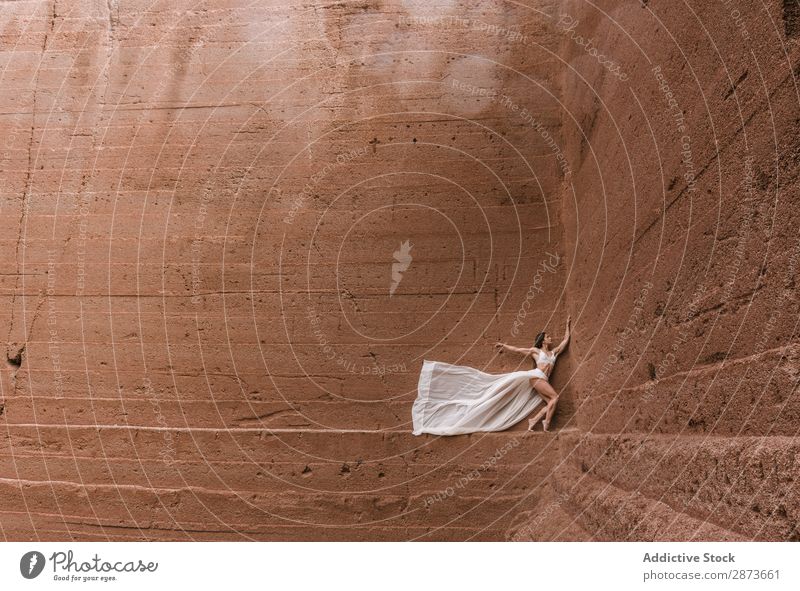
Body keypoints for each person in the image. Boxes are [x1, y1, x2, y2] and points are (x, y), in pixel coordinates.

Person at [411, 316, 571, 435]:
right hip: (536, 376)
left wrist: (568, 326)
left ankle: (534, 420)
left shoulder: (553, 352)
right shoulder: (536, 351)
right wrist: (504, 345)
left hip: (543, 379)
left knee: (550, 401)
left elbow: (565, 341)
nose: (551, 338)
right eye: (548, 336)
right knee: (555, 398)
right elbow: (517, 350)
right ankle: (546, 425)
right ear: (542, 340)